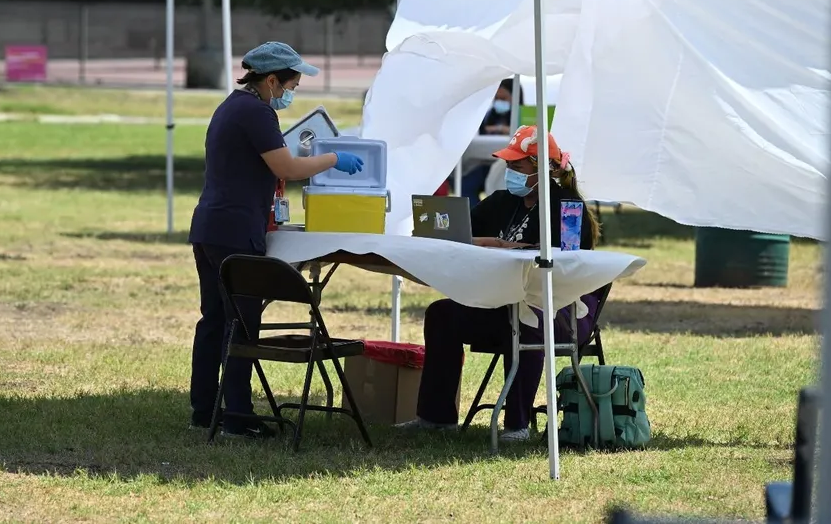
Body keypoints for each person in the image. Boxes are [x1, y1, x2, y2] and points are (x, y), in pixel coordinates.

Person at [188, 41, 364, 439]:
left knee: (215, 320)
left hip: (211, 228)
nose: (291, 93)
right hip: (235, 233)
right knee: (242, 326)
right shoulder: (256, 111)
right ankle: (237, 416)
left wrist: (303, 150)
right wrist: (332, 158)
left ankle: (204, 408)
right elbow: (285, 166)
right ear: (270, 80)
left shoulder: (234, 106)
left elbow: (265, 160)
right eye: (291, 85)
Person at [398, 125, 602, 441]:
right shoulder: (501, 201)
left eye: (517, 166)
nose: (510, 172)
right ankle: (435, 418)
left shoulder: (567, 207)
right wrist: (488, 242)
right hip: (504, 303)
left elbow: (564, 261)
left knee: (528, 316)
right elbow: (460, 235)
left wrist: (497, 245)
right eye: (508, 165)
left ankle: (517, 425)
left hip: (560, 312)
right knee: (442, 315)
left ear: (541, 168)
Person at [459, 78, 523, 207]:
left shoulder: (522, 117)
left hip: (510, 167)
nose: (499, 102)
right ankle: (474, 218)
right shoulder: (487, 116)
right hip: (483, 164)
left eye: (504, 98)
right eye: (497, 98)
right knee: (466, 185)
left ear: (515, 98)